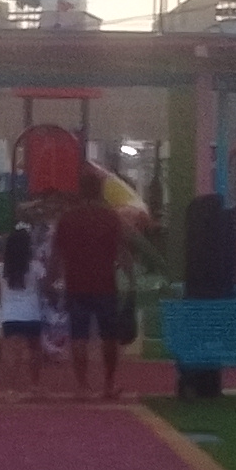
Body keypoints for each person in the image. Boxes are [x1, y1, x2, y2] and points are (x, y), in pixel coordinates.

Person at [51, 171, 132, 399]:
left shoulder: (67, 219)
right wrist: (131, 279)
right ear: (99, 191)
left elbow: (57, 254)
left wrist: (50, 280)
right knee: (109, 337)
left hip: (76, 284)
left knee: (79, 336)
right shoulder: (110, 217)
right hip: (105, 284)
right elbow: (122, 251)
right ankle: (108, 384)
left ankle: (82, 386)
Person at [0, 225, 51, 400]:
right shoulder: (35, 267)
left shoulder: (0, 269)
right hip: (32, 313)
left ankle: (11, 389)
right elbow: (43, 288)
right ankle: (34, 386)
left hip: (10, 314)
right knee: (34, 351)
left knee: (13, 353)